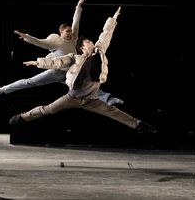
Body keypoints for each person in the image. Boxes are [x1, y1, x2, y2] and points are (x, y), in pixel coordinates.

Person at [9, 7, 157, 134]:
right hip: (72, 97)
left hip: (91, 98)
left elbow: (106, 34)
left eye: (91, 41)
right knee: (48, 109)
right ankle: (22, 117)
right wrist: (37, 62)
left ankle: (139, 125)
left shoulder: (99, 51)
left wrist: (113, 18)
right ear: (82, 47)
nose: (92, 42)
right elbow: (57, 62)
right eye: (88, 42)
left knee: (114, 112)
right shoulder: (75, 57)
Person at [0, 0, 124, 106]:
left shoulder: (75, 37)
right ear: (60, 32)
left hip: (72, 70)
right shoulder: (54, 41)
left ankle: (109, 98)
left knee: (87, 86)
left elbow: (76, 21)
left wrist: (78, 7)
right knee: (30, 82)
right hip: (57, 70)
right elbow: (39, 42)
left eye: (71, 31)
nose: (70, 34)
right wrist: (27, 37)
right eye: (67, 32)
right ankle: (4, 89)